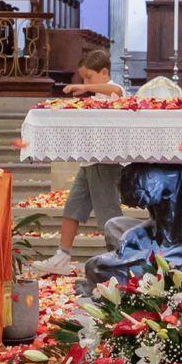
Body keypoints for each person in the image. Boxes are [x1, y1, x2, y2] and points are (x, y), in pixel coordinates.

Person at [35, 49, 127, 275]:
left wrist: (85, 87)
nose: (85, 83)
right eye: (83, 78)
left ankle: (121, 259)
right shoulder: (95, 98)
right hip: (89, 162)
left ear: (104, 72)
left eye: (88, 77)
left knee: (108, 215)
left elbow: (116, 90)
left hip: (105, 163)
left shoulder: (114, 91)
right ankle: (62, 256)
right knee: (72, 209)